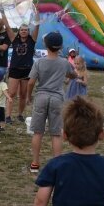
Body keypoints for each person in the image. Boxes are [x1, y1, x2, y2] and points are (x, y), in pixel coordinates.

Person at [26, 32, 77, 173]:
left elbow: (30, 82)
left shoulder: (39, 62)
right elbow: (73, 75)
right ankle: (57, 165)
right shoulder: (64, 63)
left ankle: (35, 163)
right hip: (57, 99)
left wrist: (28, 96)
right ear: (60, 47)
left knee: (38, 132)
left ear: (46, 45)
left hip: (41, 97)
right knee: (56, 133)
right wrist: (72, 74)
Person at [1, 10, 39, 124]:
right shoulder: (14, 39)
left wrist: (37, 11)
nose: (23, 31)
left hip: (27, 70)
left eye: (26, 30)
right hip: (14, 70)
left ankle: (20, 114)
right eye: (22, 30)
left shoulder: (32, 40)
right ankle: (8, 116)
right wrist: (2, 12)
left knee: (23, 95)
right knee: (11, 93)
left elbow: (37, 26)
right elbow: (7, 26)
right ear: (19, 31)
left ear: (28, 32)